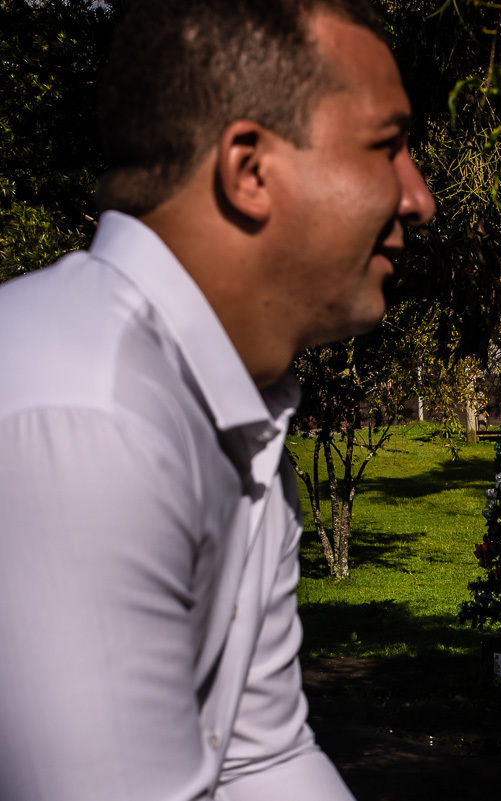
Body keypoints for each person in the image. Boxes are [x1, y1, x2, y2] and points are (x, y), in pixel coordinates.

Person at [0, 1, 435, 799]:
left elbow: (260, 757)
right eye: (388, 147)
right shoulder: (90, 415)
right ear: (250, 169)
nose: (419, 197)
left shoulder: (239, 414)